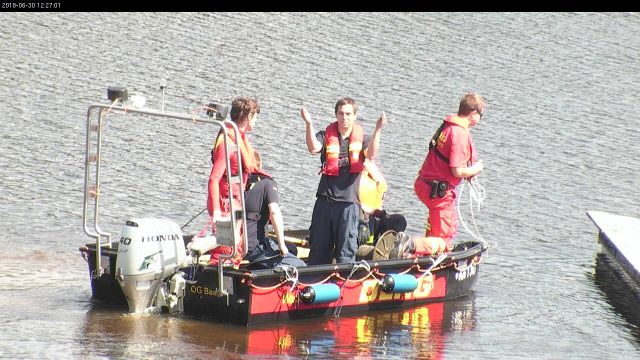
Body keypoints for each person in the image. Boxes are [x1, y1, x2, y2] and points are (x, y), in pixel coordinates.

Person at [301, 97, 387, 265]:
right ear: (336, 115)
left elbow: (370, 155)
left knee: (345, 254)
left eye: (348, 114)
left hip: (349, 205)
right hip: (325, 203)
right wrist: (308, 124)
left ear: (354, 116)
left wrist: (378, 129)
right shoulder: (326, 135)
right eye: (341, 113)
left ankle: (343, 287)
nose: (344, 117)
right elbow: (313, 148)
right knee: (318, 252)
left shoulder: (363, 139)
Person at [413, 92, 486, 248]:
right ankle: (408, 245)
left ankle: (421, 258)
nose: (480, 119)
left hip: (426, 184)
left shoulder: (449, 126)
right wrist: (476, 169)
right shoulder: (459, 133)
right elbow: (457, 171)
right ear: (473, 114)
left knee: (434, 232)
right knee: (443, 238)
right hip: (438, 192)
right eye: (481, 115)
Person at [207, 97, 259, 265]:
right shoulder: (228, 143)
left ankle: (231, 279)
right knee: (225, 249)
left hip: (236, 201)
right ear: (248, 116)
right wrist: (216, 211)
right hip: (225, 203)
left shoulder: (239, 137)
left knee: (236, 249)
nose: (256, 121)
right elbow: (214, 178)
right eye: (255, 117)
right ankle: (215, 282)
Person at [243, 152, 306, 269]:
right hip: (253, 246)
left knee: (292, 248)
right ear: (259, 165)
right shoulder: (267, 183)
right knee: (301, 266)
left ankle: (259, 268)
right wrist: (282, 246)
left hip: (233, 243)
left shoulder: (235, 184)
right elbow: (274, 212)